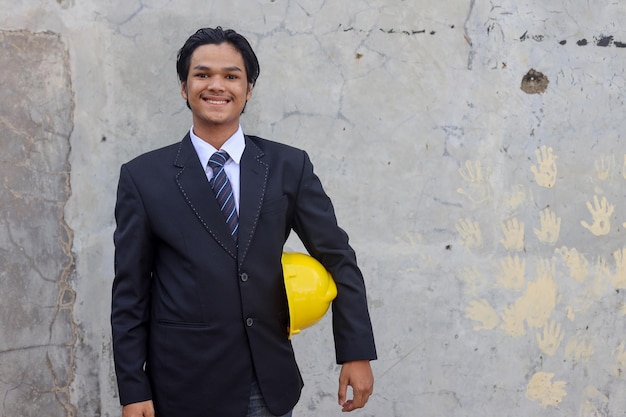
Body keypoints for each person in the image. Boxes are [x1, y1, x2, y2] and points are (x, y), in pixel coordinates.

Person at [111, 26, 377, 417]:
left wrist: (355, 352)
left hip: (266, 379)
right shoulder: (143, 177)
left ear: (248, 89)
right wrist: (133, 389)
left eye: (231, 76)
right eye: (202, 75)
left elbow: (339, 257)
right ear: (184, 88)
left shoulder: (289, 166)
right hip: (182, 384)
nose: (216, 86)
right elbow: (130, 294)